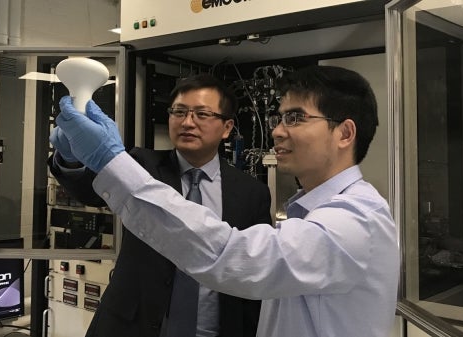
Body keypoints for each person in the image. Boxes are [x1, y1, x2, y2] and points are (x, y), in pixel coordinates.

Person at [51, 65, 400, 337]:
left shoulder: (354, 221)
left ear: (345, 133)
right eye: (279, 118)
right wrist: (82, 160)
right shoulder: (309, 212)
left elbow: (234, 258)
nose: (278, 131)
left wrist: (110, 160)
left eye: (295, 118)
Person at [48, 74, 272, 337]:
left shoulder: (251, 192)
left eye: (201, 114)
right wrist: (72, 159)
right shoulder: (141, 165)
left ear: (227, 128)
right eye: (179, 112)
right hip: (131, 328)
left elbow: (252, 271)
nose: (188, 122)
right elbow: (91, 191)